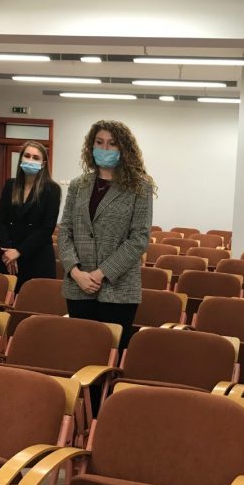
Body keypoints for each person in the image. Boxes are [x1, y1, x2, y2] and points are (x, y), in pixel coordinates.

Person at [57, 120, 154, 350]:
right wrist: (75, 272)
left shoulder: (140, 187)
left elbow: (139, 238)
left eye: (112, 144)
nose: (105, 148)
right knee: (81, 350)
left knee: (111, 352)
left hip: (118, 288)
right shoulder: (78, 185)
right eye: (99, 143)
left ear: (123, 148)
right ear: (91, 146)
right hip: (78, 285)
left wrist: (100, 274)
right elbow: (65, 230)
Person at [0, 141, 61, 291]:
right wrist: (8, 251)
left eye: (36, 158)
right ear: (21, 159)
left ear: (43, 164)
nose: (30, 160)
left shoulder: (52, 189)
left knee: (34, 301)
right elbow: (1, 221)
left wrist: (19, 252)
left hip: (37, 255)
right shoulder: (10, 185)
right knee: (2, 299)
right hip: (8, 256)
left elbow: (47, 228)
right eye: (27, 156)